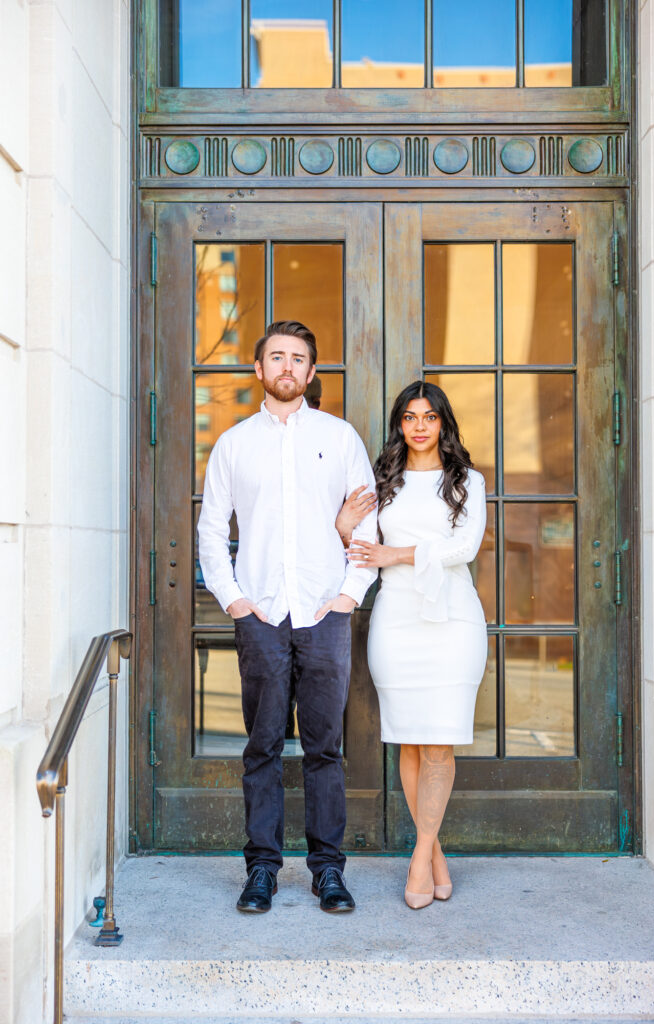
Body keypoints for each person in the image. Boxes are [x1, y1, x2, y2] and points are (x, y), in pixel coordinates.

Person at [198, 320, 377, 915]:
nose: (288, 367)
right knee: (263, 747)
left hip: (325, 612)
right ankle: (263, 871)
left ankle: (328, 870)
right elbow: (210, 531)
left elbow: (366, 524)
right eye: (277, 356)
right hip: (263, 615)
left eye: (299, 358)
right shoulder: (233, 445)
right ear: (258, 369)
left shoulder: (340, 437)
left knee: (325, 748)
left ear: (311, 371)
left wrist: (349, 595)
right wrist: (236, 601)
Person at [342, 380, 487, 909]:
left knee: (440, 743)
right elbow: (358, 546)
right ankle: (435, 855)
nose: (419, 425)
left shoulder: (469, 481)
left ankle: (420, 855)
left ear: (443, 423)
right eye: (409, 417)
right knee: (408, 739)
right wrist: (344, 529)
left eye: (429, 416)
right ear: (399, 424)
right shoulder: (383, 482)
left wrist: (396, 555)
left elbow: (463, 548)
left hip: (453, 620)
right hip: (397, 620)